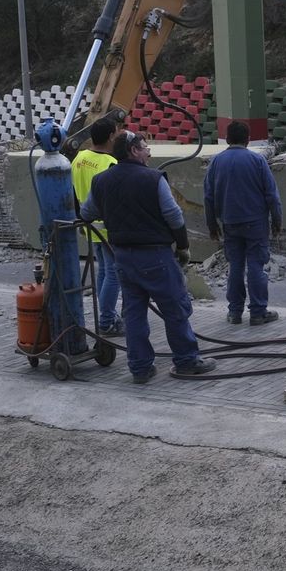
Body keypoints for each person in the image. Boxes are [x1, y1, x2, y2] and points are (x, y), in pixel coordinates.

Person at [80, 131, 215, 383]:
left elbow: (87, 213)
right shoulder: (153, 179)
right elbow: (174, 215)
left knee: (133, 312)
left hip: (123, 256)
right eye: (144, 147)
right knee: (175, 307)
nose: (149, 152)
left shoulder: (101, 181)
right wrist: (183, 246)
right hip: (155, 255)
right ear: (133, 151)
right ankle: (186, 360)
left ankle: (140, 367)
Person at [204, 121, 284, 326]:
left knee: (236, 267)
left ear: (228, 139)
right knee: (256, 266)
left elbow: (209, 197)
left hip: (229, 224)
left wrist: (212, 225)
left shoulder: (216, 162)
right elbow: (272, 195)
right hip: (255, 224)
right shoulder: (257, 161)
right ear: (248, 139)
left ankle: (234, 312)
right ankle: (258, 312)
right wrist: (277, 220)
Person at [70, 117, 122, 334]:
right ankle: (107, 321)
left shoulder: (79, 158)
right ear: (110, 136)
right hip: (108, 229)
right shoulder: (110, 164)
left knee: (102, 272)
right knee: (113, 274)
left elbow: (73, 192)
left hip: (89, 225)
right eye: (117, 132)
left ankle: (105, 314)